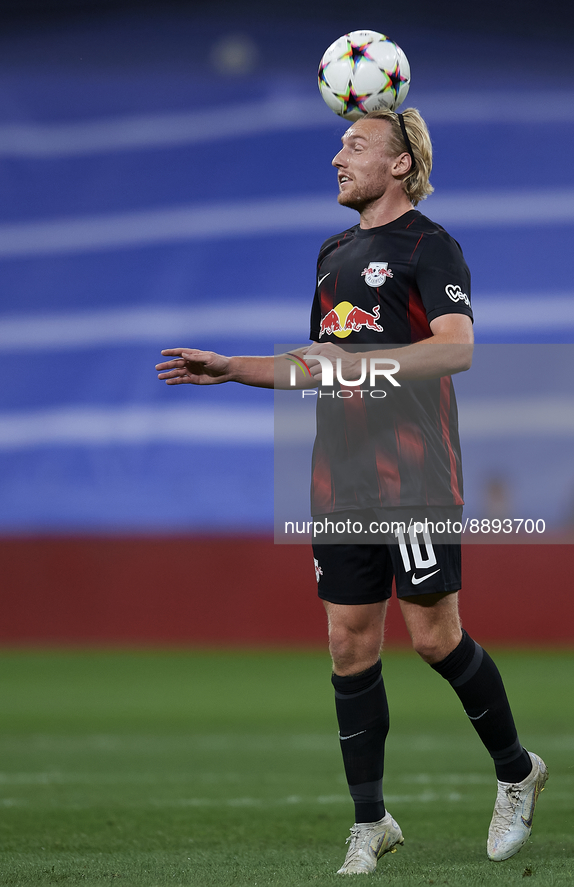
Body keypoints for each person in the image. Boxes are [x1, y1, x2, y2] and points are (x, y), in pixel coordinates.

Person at [155, 108, 547, 875]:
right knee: (347, 645)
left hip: (414, 475)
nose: (337, 156)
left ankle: (514, 769)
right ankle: (369, 821)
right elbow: (320, 363)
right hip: (338, 477)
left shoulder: (432, 247)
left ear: (400, 164)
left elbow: (455, 350)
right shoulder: (333, 252)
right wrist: (234, 367)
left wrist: (358, 364)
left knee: (433, 637)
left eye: (355, 145)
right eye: (340, 143)